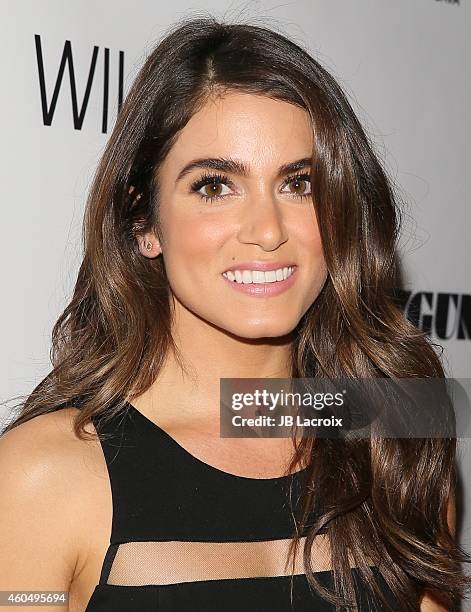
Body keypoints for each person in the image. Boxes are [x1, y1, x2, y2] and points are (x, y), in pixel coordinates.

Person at [0, 15, 469, 612]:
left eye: (299, 184)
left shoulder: (394, 447)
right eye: (215, 187)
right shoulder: (41, 477)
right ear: (143, 222)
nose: (268, 231)